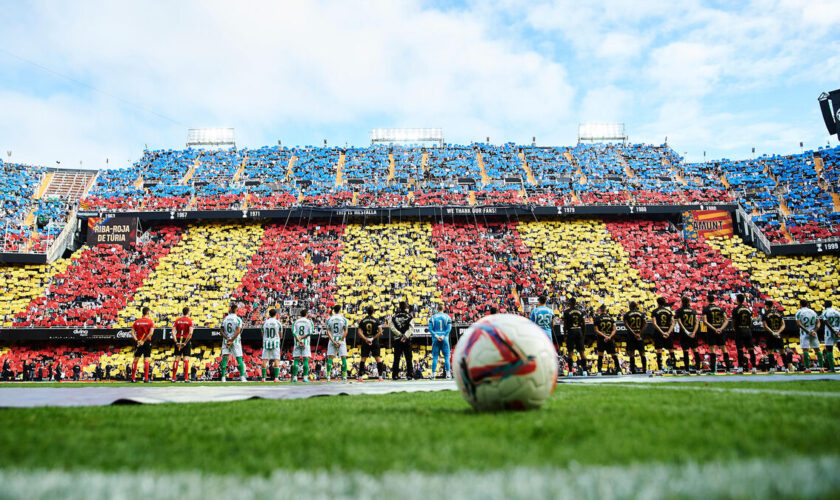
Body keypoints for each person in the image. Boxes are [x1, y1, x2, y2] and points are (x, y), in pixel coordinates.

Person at [702, 294, 731, 373]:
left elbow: (705, 321)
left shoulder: (706, 309)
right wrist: (721, 328)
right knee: (724, 349)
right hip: (721, 331)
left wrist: (714, 329)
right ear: (714, 300)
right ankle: (728, 369)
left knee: (712, 350)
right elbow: (726, 320)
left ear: (707, 300)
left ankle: (713, 370)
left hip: (712, 331)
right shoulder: (720, 308)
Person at [220, 303, 247, 382]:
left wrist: (227, 338)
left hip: (226, 340)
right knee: (239, 358)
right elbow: (238, 331)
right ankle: (242, 377)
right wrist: (231, 340)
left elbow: (221, 330)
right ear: (237, 310)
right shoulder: (238, 319)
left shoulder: (225, 319)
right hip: (235, 341)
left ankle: (223, 377)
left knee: (225, 358)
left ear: (230, 310)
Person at [731, 294, 757, 373]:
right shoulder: (748, 309)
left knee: (740, 350)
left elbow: (734, 321)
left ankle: (740, 368)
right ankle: (754, 368)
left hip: (740, 329)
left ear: (737, 300)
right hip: (747, 329)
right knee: (751, 350)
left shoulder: (736, 310)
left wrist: (735, 329)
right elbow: (751, 321)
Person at [358, 306, 385, 381]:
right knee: (378, 359)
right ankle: (380, 377)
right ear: (373, 312)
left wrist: (366, 339)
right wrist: (372, 338)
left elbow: (359, 332)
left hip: (365, 341)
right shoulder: (376, 320)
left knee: (363, 359)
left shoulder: (363, 321)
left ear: (367, 312)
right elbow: (380, 331)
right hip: (374, 341)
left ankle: (360, 377)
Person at [675, 296, 701, 373]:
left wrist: (686, 331)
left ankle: (687, 370)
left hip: (684, 333)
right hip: (693, 332)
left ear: (682, 302)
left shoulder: (679, 311)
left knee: (685, 351)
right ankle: (698, 369)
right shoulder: (693, 311)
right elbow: (697, 323)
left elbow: (679, 322)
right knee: (695, 350)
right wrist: (693, 332)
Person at [796, 299, 823, 372]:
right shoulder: (813, 312)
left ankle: (807, 368)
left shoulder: (799, 312)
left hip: (805, 333)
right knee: (817, 349)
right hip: (813, 333)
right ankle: (821, 368)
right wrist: (814, 331)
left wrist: (807, 331)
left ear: (800, 304)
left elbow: (799, 324)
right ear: (807, 304)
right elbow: (818, 323)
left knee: (805, 350)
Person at [651, 297, 677, 374]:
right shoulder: (669, 312)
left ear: (657, 303)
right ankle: (674, 369)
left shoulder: (655, 311)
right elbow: (673, 323)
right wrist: (668, 332)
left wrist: (662, 332)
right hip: (668, 332)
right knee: (671, 350)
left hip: (659, 333)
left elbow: (654, 323)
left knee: (659, 350)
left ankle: (660, 369)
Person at [390, 301, 414, 380]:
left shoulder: (394, 317)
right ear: (406, 307)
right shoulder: (409, 316)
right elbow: (411, 328)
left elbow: (392, 327)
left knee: (396, 358)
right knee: (408, 358)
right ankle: (410, 375)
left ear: (399, 307)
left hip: (397, 340)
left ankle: (395, 375)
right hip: (406, 340)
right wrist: (405, 336)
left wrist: (400, 335)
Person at [761, 300, 788, 372]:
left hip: (770, 335)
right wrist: (778, 332)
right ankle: (787, 368)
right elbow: (783, 325)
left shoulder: (765, 315)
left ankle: (772, 368)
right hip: (778, 334)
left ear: (766, 306)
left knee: (770, 351)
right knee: (782, 351)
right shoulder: (779, 314)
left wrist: (773, 332)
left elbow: (765, 326)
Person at [593, 304, 619, 375]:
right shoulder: (611, 318)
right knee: (614, 355)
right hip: (610, 339)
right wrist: (609, 336)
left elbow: (596, 330)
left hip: (601, 339)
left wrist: (604, 336)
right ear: (606, 310)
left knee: (600, 355)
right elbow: (614, 330)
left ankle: (599, 371)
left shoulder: (597, 319)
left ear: (600, 310)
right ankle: (619, 370)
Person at [562, 298, 586, 375]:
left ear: (569, 303)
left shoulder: (566, 312)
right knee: (582, 352)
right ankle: (585, 371)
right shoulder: (580, 311)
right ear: (575, 303)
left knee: (570, 352)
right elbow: (584, 324)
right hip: (579, 331)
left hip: (571, 331)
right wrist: (583, 334)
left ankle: (570, 372)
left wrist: (565, 335)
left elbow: (565, 325)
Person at [428, 304, 452, 379]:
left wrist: (437, 336)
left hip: (436, 338)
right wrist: (443, 336)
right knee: (446, 357)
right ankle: (448, 374)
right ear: (443, 309)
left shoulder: (432, 318)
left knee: (435, 357)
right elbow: (449, 329)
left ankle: (433, 375)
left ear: (437, 309)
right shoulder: (448, 317)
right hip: (444, 339)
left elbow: (430, 329)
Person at [131, 306, 155, 383]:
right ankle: (146, 379)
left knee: (136, 359)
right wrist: (144, 340)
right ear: (147, 313)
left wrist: (137, 340)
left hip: (138, 342)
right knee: (146, 360)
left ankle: (133, 378)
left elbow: (132, 333)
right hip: (146, 342)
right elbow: (150, 333)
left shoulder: (137, 322)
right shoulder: (150, 322)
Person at [326, 304, 349, 381]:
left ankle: (328, 376)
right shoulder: (344, 319)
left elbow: (328, 331)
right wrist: (340, 340)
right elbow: (346, 331)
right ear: (340, 310)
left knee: (330, 358)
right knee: (343, 358)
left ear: (333, 310)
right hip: (341, 340)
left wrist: (332, 340)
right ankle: (344, 376)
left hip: (332, 339)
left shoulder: (329, 319)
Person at [623, 301, 647, 374]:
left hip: (631, 336)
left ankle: (633, 370)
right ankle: (644, 370)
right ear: (636, 306)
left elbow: (627, 325)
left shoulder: (627, 314)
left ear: (630, 306)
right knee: (642, 353)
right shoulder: (642, 314)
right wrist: (639, 334)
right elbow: (645, 324)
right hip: (640, 336)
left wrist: (634, 333)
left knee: (631, 353)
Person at [172, 306, 194, 382]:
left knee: (177, 358)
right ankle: (186, 378)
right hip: (185, 340)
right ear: (188, 312)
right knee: (185, 359)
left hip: (178, 339)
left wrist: (176, 342)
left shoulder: (177, 320)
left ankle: (173, 378)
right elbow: (190, 333)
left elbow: (173, 332)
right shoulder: (190, 321)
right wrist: (185, 343)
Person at [292, 309, 315, 382]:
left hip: (297, 342)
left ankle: (295, 377)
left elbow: (293, 332)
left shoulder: (295, 322)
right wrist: (302, 338)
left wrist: (298, 339)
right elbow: (311, 332)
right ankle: (305, 377)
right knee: (306, 359)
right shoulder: (309, 322)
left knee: (296, 360)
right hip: (306, 342)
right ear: (306, 314)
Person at [261, 308, 283, 382]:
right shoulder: (278, 323)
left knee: (264, 360)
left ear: (269, 314)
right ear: (276, 314)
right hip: (275, 343)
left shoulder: (265, 323)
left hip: (266, 342)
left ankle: (263, 378)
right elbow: (281, 335)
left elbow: (262, 333)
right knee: (276, 360)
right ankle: (276, 378)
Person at [820, 301, 839, 372]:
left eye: (824, 303)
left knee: (829, 350)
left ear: (826, 305)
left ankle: (832, 368)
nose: (823, 304)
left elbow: (826, 322)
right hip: (838, 331)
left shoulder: (825, 312)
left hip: (829, 332)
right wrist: (838, 331)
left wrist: (833, 331)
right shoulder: (837, 312)